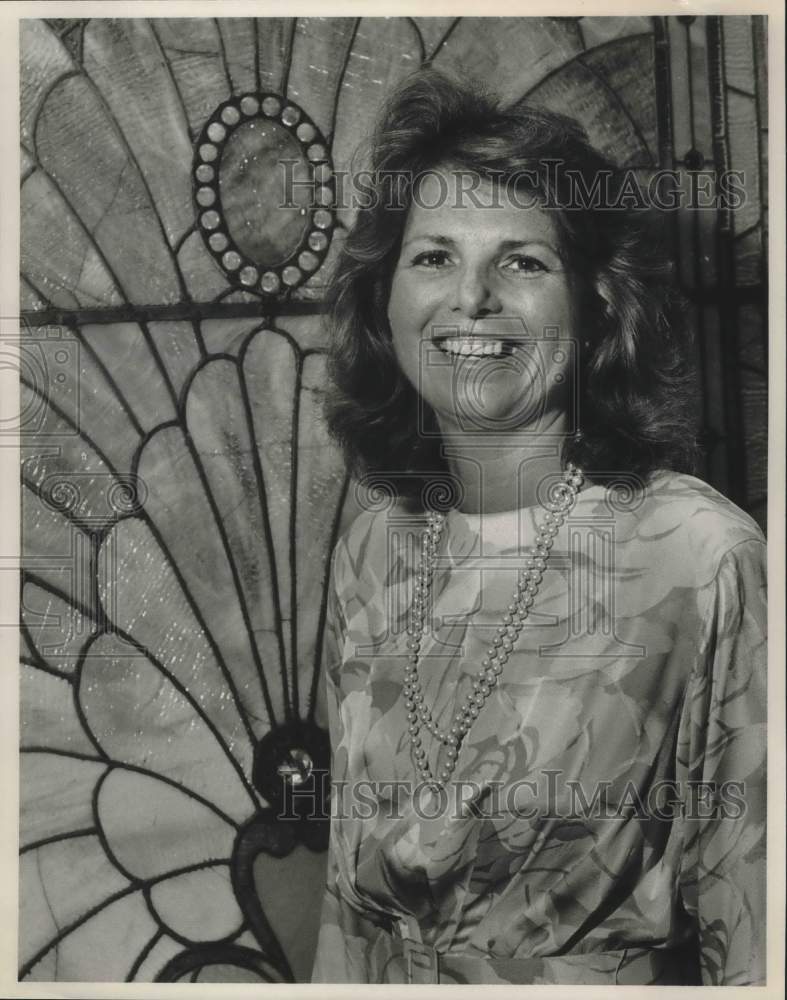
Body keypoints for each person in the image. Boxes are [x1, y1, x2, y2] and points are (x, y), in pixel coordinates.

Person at [310, 67, 767, 986]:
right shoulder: (373, 547)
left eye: (522, 260)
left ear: (597, 304)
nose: (470, 298)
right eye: (433, 255)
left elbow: (750, 920)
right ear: (385, 300)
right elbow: (346, 910)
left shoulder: (698, 555)